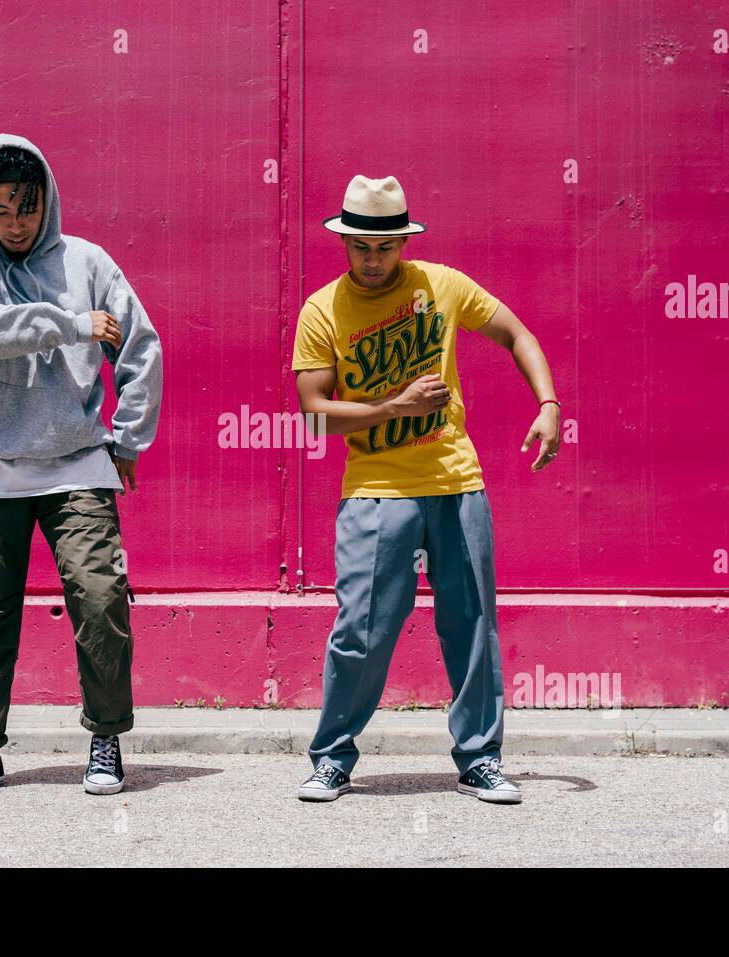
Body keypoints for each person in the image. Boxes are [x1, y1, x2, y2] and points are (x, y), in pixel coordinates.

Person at [290, 174, 560, 804]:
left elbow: (517, 334)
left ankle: (480, 758)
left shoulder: (442, 285)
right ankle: (332, 757)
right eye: (361, 246)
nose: (373, 259)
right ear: (344, 242)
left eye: (385, 247)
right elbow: (311, 410)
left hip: (456, 481)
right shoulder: (322, 309)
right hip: (375, 488)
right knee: (361, 627)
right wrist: (393, 406)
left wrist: (547, 404)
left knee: (471, 624)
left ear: (403, 241)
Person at [0, 133, 162, 797]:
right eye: (1, 209)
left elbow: (140, 345)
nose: (14, 223)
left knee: (101, 602)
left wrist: (128, 440)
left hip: (77, 465)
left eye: (26, 209)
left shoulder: (88, 262)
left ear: (47, 202)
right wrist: (72, 323)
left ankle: (105, 738)